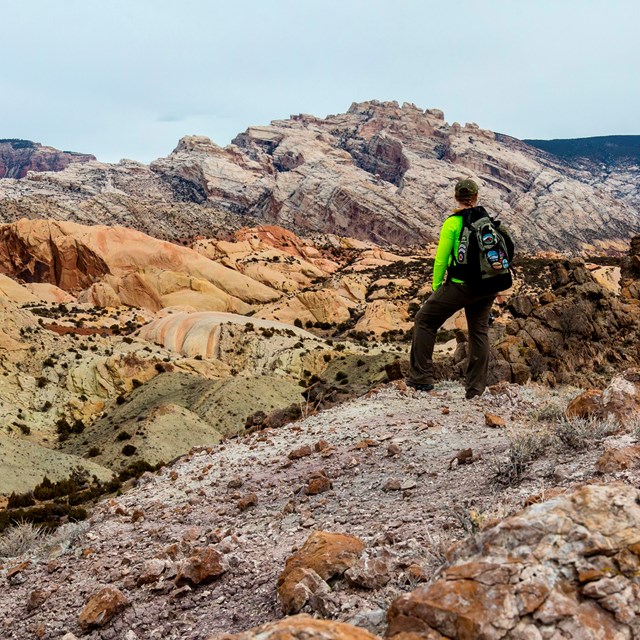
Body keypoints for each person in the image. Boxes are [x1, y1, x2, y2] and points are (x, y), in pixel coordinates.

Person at [407, 178, 496, 400]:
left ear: (457, 197)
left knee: (425, 320)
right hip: (488, 285)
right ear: (475, 197)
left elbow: (441, 259)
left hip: (461, 285)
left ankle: (421, 379)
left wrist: (437, 287)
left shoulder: (453, 223)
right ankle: (475, 390)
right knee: (479, 332)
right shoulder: (487, 220)